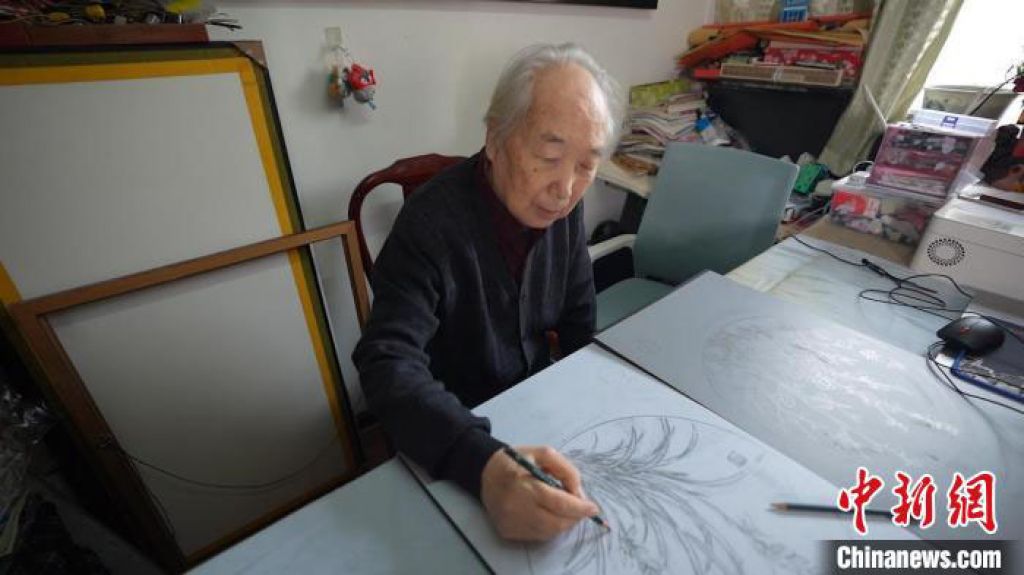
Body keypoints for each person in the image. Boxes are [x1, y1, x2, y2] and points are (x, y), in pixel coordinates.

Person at [352, 42, 621, 541]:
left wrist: (599, 407)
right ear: (495, 139)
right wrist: (484, 466)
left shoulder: (563, 210)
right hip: (451, 435)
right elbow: (386, 361)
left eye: (587, 166)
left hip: (536, 414)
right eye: (549, 156)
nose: (565, 190)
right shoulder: (429, 225)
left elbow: (579, 321)